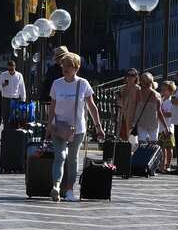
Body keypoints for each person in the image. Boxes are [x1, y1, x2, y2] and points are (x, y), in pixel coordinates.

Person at [47, 52, 103, 201]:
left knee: (72, 158)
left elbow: (91, 106)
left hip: (77, 128)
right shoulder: (57, 83)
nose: (65, 68)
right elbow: (52, 106)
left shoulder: (83, 84)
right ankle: (56, 186)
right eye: (63, 65)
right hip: (58, 127)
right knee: (60, 156)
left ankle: (70, 190)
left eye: (69, 66)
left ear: (76, 68)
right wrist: (49, 125)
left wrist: (98, 127)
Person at [133, 72, 167, 145]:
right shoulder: (156, 95)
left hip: (141, 123)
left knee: (141, 146)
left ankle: (142, 156)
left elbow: (135, 108)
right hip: (153, 123)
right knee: (153, 146)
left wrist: (132, 121)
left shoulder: (138, 93)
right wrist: (165, 126)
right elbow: (159, 112)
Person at [0, 59, 26, 126]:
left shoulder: (19, 75)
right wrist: (2, 85)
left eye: (12, 69)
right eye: (9, 70)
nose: (10, 71)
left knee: (15, 117)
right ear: (7, 68)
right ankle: (6, 134)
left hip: (16, 99)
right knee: (5, 118)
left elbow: (22, 88)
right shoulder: (3, 75)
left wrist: (23, 99)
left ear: (15, 67)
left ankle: (14, 134)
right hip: (6, 99)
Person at [116, 68, 141, 145]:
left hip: (133, 117)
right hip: (123, 116)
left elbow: (139, 104)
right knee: (122, 138)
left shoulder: (138, 89)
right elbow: (119, 103)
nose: (130, 77)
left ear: (136, 77)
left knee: (132, 140)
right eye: (128, 75)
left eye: (133, 75)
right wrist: (118, 99)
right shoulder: (122, 88)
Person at [158, 81, 176, 171]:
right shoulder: (161, 100)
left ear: (170, 91)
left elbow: (172, 114)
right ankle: (162, 165)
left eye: (165, 90)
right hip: (160, 127)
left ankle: (168, 165)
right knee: (161, 147)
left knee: (168, 148)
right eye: (162, 89)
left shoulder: (171, 101)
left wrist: (162, 113)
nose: (163, 91)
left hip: (169, 127)